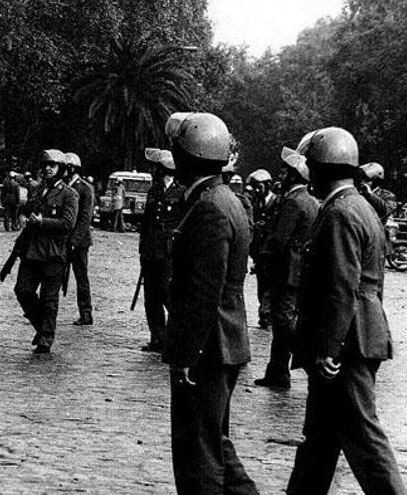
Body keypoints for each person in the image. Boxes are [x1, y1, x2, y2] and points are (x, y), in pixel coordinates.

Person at [285, 127, 407, 494]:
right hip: (355, 339)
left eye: (311, 166)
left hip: (345, 347)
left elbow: (341, 287)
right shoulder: (359, 208)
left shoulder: (340, 212)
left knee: (364, 440)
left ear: (323, 168)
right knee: (319, 440)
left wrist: (329, 347)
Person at [162, 113, 258, 494]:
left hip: (208, 348)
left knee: (197, 456)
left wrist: (188, 353)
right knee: (215, 443)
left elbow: (205, 291)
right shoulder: (224, 200)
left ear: (189, 157)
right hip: (221, 344)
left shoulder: (210, 208)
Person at [253, 145, 318, 389]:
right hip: (300, 272)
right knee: (283, 323)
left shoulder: (293, 202)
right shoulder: (310, 201)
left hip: (286, 272)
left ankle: (291, 368)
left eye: (285, 171)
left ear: (294, 176)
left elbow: (278, 239)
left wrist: (263, 260)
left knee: (283, 324)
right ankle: (278, 372)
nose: (281, 175)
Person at [14, 149, 78, 354]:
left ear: (61, 169)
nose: (47, 169)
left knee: (49, 298)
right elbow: (25, 209)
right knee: (23, 290)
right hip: (31, 251)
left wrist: (43, 222)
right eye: (45, 166)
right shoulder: (36, 190)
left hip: (53, 253)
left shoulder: (69, 194)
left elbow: (68, 224)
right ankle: (43, 326)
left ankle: (46, 337)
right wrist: (22, 215)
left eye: (52, 166)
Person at [138, 148, 185, 353]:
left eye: (157, 167)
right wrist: (143, 250)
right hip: (150, 252)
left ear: (164, 168)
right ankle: (158, 338)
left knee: (168, 294)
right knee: (152, 297)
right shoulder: (154, 190)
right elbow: (146, 223)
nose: (153, 170)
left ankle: (176, 337)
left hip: (169, 253)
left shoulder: (181, 191)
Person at [64, 152, 95, 326]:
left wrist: (75, 242)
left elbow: (85, 218)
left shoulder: (85, 188)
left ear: (71, 168)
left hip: (79, 242)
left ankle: (86, 313)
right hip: (64, 239)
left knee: (81, 277)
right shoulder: (66, 187)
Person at [246, 168, 274, 329]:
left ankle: (266, 315)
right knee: (261, 287)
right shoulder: (256, 204)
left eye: (260, 186)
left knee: (269, 288)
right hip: (260, 254)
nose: (257, 190)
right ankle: (265, 314)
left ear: (268, 185)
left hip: (271, 253)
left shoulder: (277, 202)